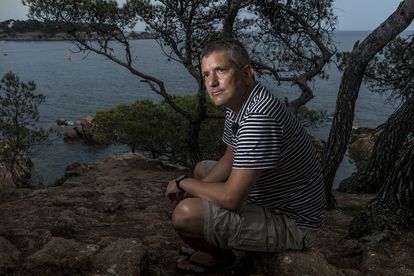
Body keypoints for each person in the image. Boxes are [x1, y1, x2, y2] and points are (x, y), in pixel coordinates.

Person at [165, 38, 326, 273]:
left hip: (293, 222)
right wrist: (193, 188)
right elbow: (231, 156)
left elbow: (232, 199)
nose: (212, 82)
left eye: (220, 70)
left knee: (185, 215)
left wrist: (184, 183)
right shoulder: (239, 103)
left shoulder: (259, 117)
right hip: (268, 196)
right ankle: (215, 235)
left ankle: (221, 256)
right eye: (206, 74)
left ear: (246, 72)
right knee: (203, 170)